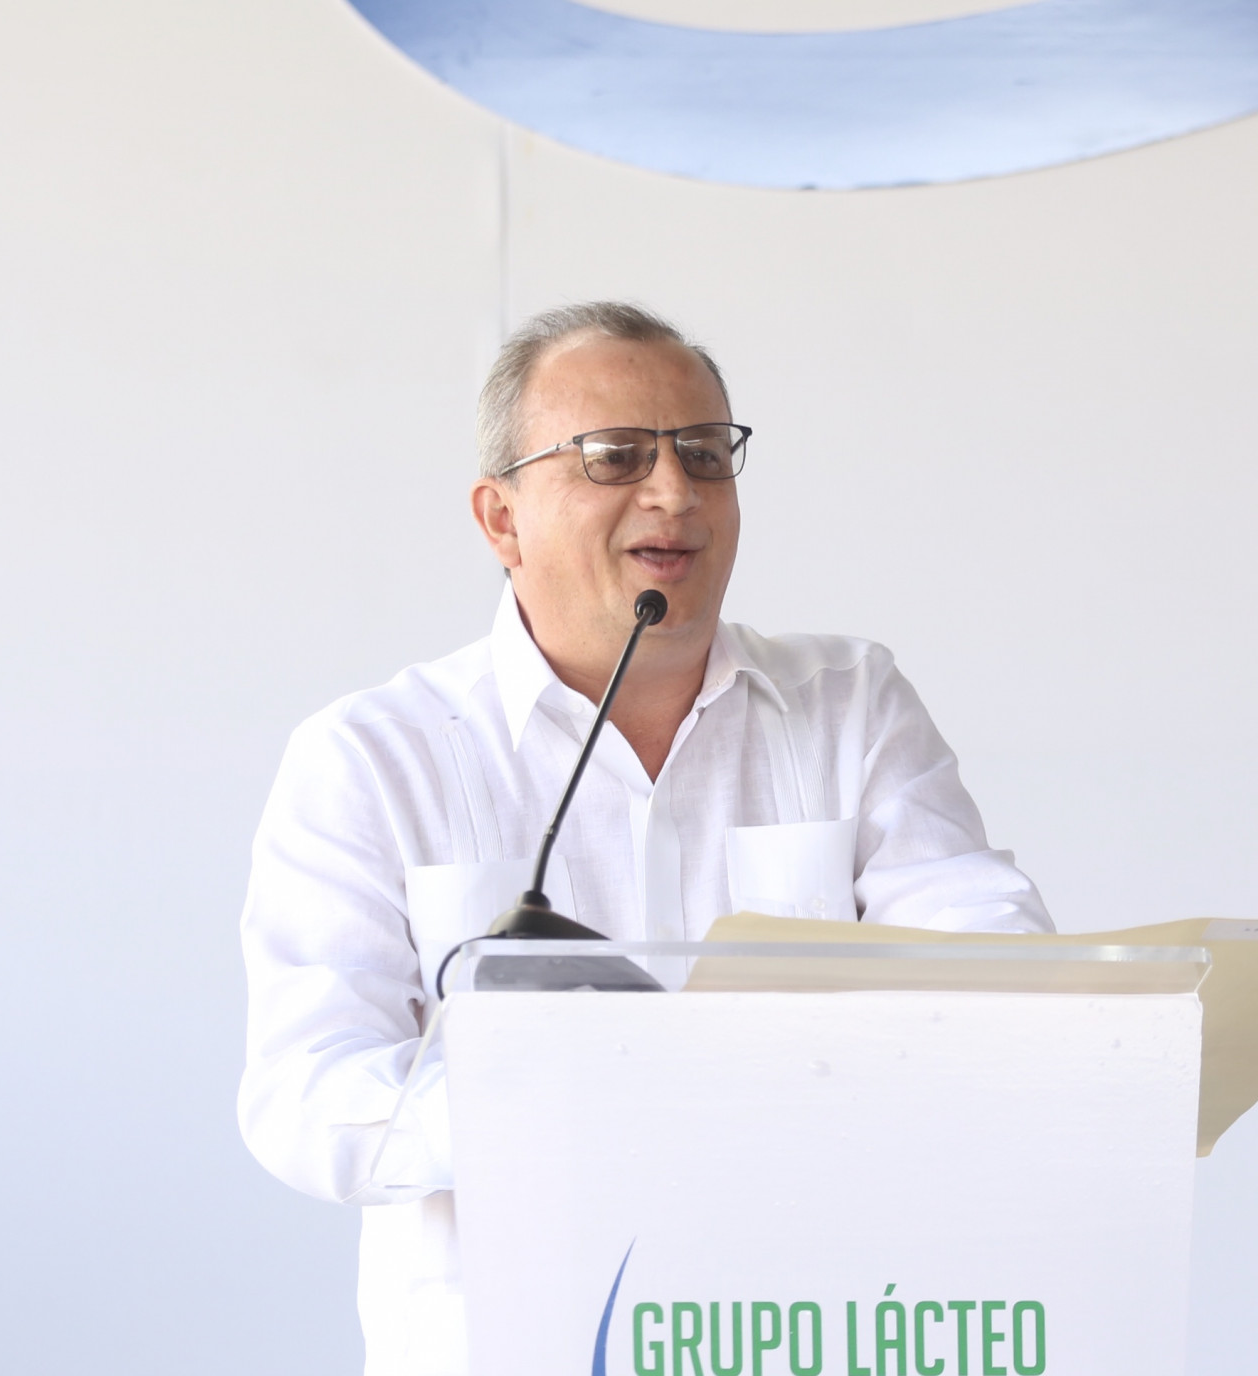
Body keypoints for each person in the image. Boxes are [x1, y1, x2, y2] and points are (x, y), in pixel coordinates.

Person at [237, 301, 1052, 1375]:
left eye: (705, 454)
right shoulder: (373, 757)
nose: (675, 492)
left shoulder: (849, 702)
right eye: (615, 456)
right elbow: (306, 1100)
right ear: (501, 519)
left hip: (810, 1331)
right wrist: (561, 1091)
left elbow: (993, 957)